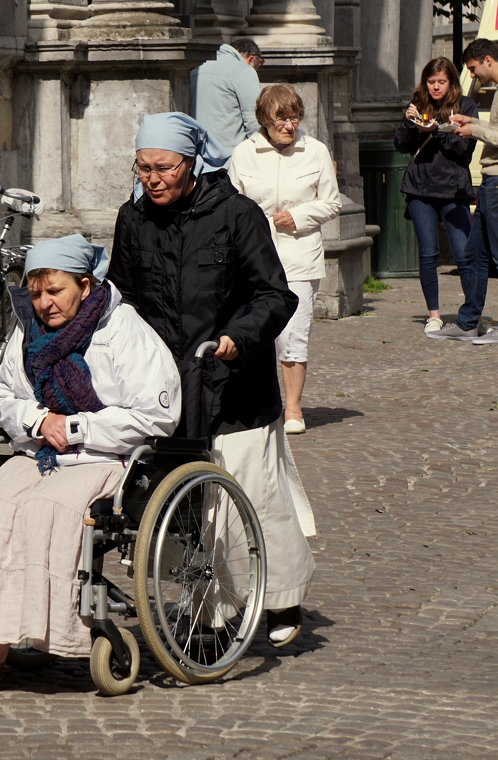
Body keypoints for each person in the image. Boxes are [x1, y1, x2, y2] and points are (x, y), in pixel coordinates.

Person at [0, 235, 182, 689]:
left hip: (106, 457)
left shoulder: (122, 328)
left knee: (43, 513)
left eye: (54, 291)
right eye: (36, 293)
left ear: (84, 284)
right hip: (41, 451)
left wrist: (76, 427)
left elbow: (157, 415)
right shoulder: (27, 329)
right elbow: (2, 398)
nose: (43, 303)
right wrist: (40, 419)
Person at [108, 112, 316, 649]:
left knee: (253, 495)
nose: (152, 179)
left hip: (233, 378)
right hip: (167, 382)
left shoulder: (237, 214)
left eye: (163, 168)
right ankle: (208, 605)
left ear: (191, 163)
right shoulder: (133, 220)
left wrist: (239, 337)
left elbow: (275, 295)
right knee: (184, 500)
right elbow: (122, 296)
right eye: (143, 168)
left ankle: (279, 598)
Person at [227, 85, 342, 435]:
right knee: (252, 332)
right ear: (265, 119)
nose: (289, 126)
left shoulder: (315, 151)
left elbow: (332, 202)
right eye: (281, 119)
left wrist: (301, 216)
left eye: (294, 118)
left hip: (298, 255)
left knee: (293, 334)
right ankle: (257, 402)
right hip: (253, 258)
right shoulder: (244, 153)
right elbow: (232, 205)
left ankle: (293, 407)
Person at [436, 38, 498, 345]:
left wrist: (474, 130)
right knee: (474, 253)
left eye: (474, 69)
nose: (473, 76)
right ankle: (468, 322)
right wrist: (473, 122)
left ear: (488, 60)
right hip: (496, 181)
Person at [395, 58, 479, 336]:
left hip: (454, 190)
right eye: (431, 82)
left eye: (441, 82)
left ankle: (471, 313)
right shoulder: (418, 104)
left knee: (464, 254)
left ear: (451, 82)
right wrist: (410, 125)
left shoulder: (465, 107)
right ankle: (434, 314)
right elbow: (401, 145)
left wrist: (438, 132)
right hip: (420, 189)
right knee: (428, 253)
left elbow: (463, 152)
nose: (435, 87)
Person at [190, 38, 264, 151]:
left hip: (197, 152)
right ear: (251, 59)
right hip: (230, 156)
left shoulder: (196, 68)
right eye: (260, 64)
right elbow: (254, 118)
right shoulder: (244, 70)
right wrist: (260, 150)